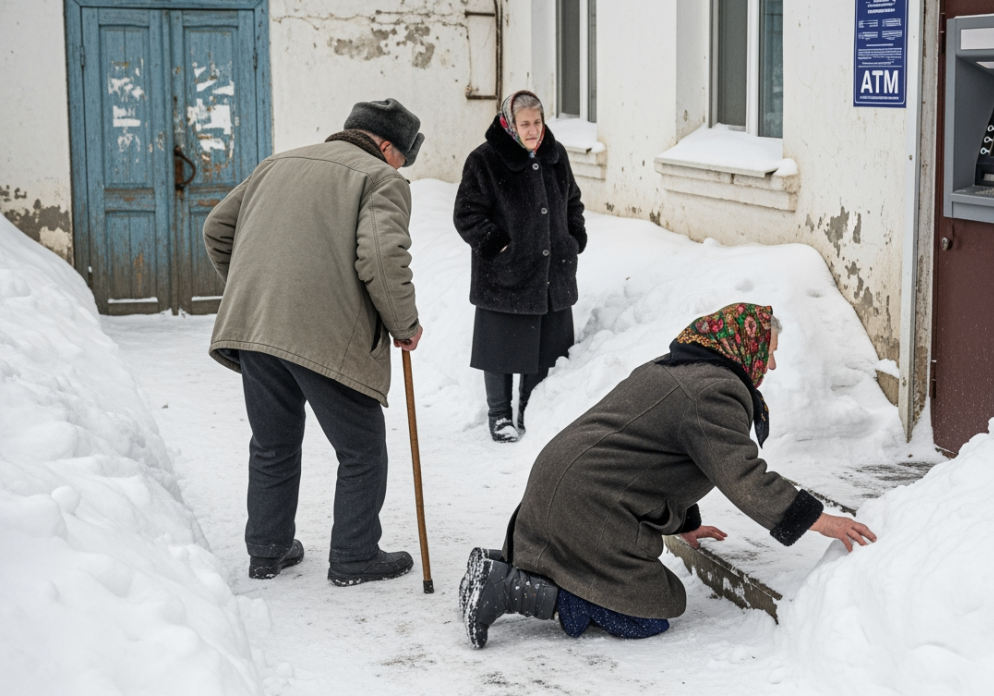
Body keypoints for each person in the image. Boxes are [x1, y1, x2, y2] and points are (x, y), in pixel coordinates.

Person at [459, 303, 877, 648]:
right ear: (742, 345)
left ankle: (497, 569)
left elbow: (656, 459)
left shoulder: (682, 369)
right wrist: (821, 520)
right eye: (767, 349)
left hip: (570, 488)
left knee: (631, 588)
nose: (770, 361)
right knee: (651, 611)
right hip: (587, 503)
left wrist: (684, 524)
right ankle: (511, 588)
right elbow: (742, 474)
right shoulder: (713, 391)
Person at [203, 98, 425, 587]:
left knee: (273, 442)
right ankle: (354, 555)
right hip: (326, 332)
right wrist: (404, 325)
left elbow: (217, 228)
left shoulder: (275, 164)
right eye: (402, 157)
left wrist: (254, 286)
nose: (400, 167)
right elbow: (383, 260)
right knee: (363, 450)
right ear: (387, 146)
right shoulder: (379, 179)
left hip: (257, 326)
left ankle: (268, 549)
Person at [453, 90, 586, 443]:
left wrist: (574, 237)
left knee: (544, 347)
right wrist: (498, 244)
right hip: (505, 273)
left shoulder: (555, 157)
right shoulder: (484, 159)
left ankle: (531, 409)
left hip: (552, 271)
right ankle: (499, 415)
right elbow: (467, 214)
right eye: (524, 124)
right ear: (509, 124)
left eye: (537, 122)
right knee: (500, 349)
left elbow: (572, 200)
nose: (532, 131)